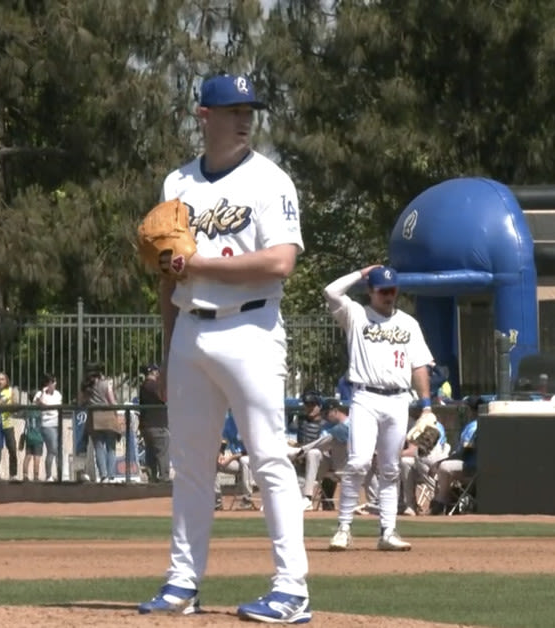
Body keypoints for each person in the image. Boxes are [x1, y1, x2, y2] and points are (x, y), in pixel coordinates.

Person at [137, 73, 311, 624]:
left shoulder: (270, 180)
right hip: (190, 329)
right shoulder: (177, 184)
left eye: (249, 109)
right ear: (203, 115)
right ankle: (182, 582)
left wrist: (202, 265)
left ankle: (291, 589)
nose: (244, 117)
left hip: (251, 330)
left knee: (269, 459)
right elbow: (167, 278)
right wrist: (167, 353)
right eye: (232, 108)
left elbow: (281, 261)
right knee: (190, 466)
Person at [322, 264, 435, 552]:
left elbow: (419, 365)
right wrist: (361, 273)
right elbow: (331, 291)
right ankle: (344, 528)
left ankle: (388, 531)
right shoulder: (356, 315)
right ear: (370, 291)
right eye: (383, 289)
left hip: (398, 399)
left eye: (392, 289)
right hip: (365, 397)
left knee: (390, 467)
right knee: (359, 461)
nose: (389, 294)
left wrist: (426, 407)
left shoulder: (408, 323)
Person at [432, 396, 483, 515]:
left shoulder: (474, 426)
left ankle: (441, 501)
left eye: (467, 408)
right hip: (469, 464)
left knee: (444, 466)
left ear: (472, 410)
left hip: (471, 466)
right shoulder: (473, 424)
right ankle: (445, 500)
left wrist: (442, 461)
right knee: (444, 465)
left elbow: (465, 452)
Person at [83, 365, 122, 483]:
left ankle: (103, 475)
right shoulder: (106, 384)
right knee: (111, 448)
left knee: (99, 448)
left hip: (94, 418)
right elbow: (112, 402)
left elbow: (81, 401)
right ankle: (110, 475)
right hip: (108, 417)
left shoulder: (86, 386)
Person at [138, 364, 171, 483]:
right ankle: (163, 478)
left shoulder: (144, 385)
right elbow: (164, 397)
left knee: (151, 453)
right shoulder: (153, 385)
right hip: (157, 424)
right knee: (162, 452)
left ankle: (152, 477)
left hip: (147, 424)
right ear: (154, 372)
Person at [216, 411, 255, 510]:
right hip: (236, 460)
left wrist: (230, 458)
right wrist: (221, 454)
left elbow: (249, 451)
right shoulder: (230, 420)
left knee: (244, 460)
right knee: (213, 463)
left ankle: (247, 500)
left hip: (252, 460)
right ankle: (217, 502)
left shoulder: (249, 422)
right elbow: (224, 439)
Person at [33, 373, 62, 482]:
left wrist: (46, 406)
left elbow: (55, 408)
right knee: (52, 449)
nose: (54, 385)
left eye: (54, 382)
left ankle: (60, 475)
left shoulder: (57, 394)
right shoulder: (40, 394)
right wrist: (43, 393)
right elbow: (38, 405)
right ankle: (48, 475)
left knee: (58, 450)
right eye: (51, 382)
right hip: (47, 425)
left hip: (57, 423)